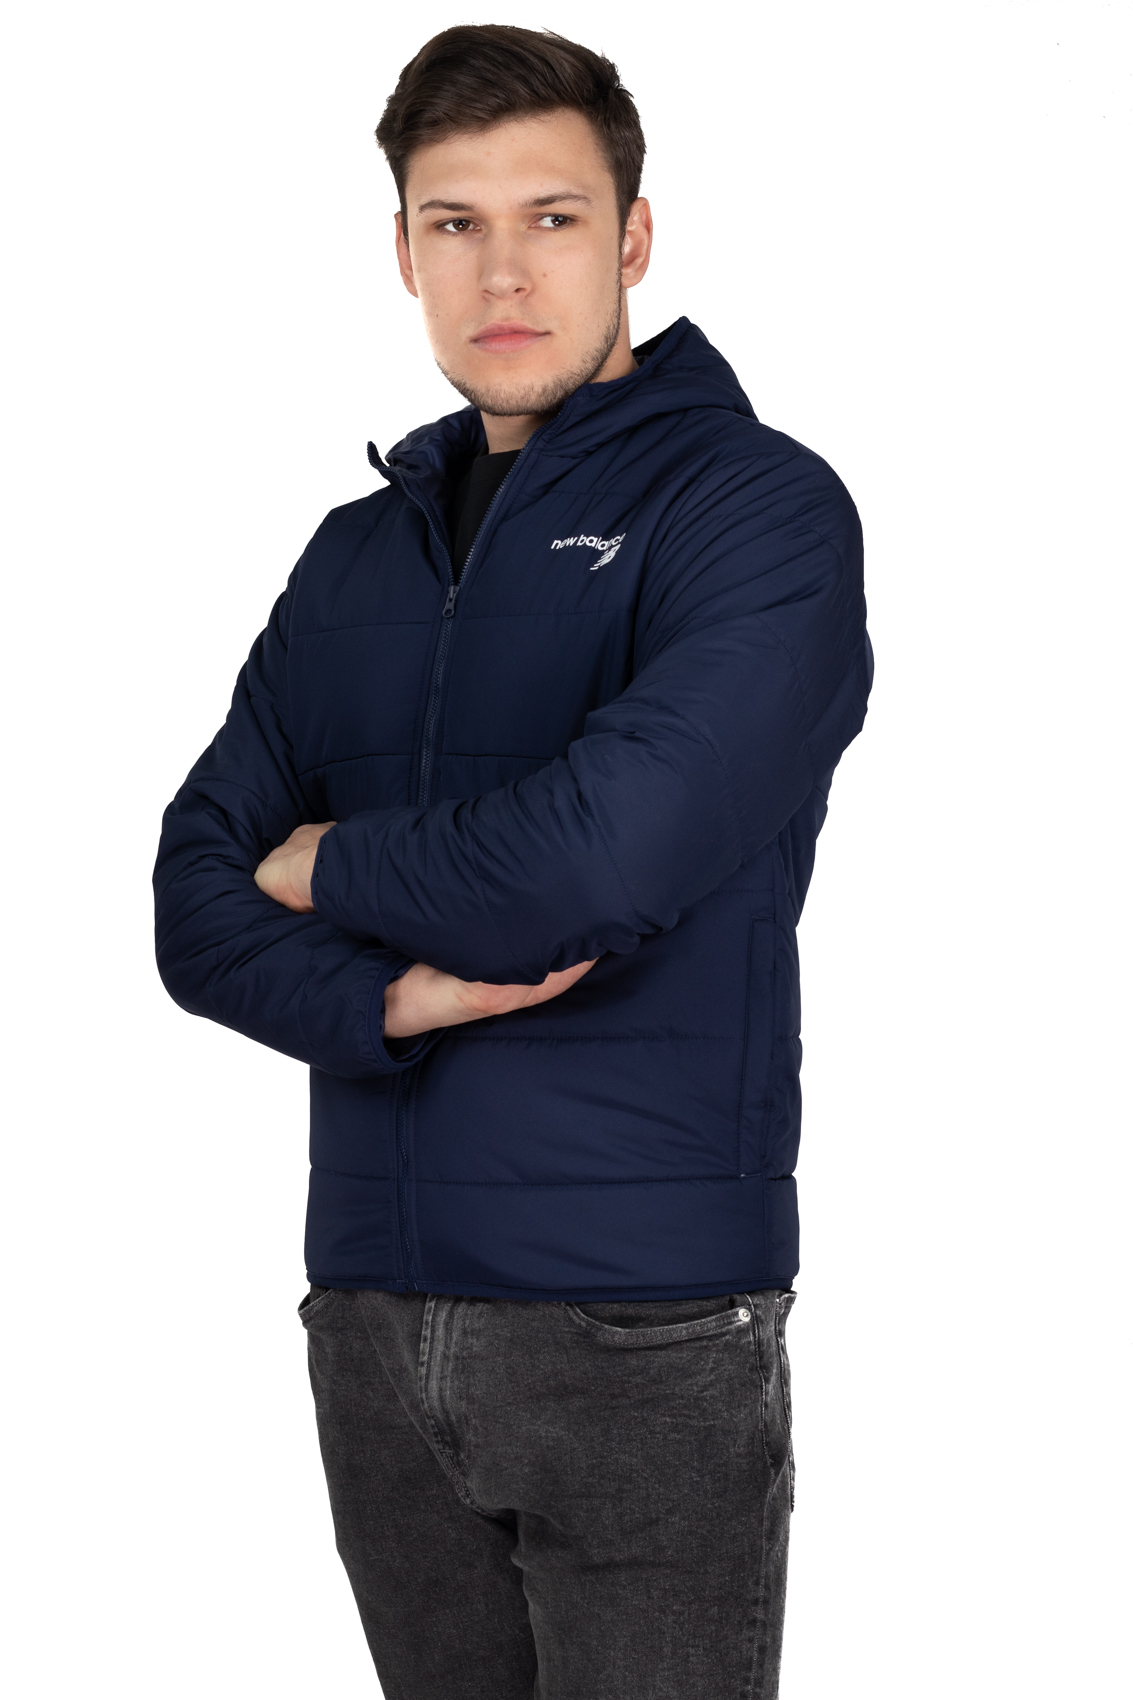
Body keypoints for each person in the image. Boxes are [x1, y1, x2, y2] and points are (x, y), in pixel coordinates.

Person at [154, 23, 871, 1700]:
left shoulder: (755, 510)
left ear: (633, 237)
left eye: (551, 218)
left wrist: (318, 863)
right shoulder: (355, 553)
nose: (502, 273)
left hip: (640, 1317)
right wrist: (388, 1003)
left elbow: (590, 866)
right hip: (369, 1308)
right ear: (402, 251)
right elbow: (189, 901)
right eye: (453, 223)